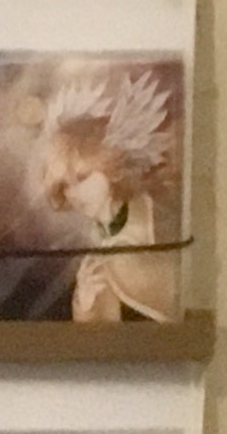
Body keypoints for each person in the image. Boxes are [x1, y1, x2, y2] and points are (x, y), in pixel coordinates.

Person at [31, 69, 181, 324]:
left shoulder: (155, 213)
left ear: (110, 168)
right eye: (65, 186)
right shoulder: (98, 251)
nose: (74, 194)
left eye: (82, 178)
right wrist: (86, 304)